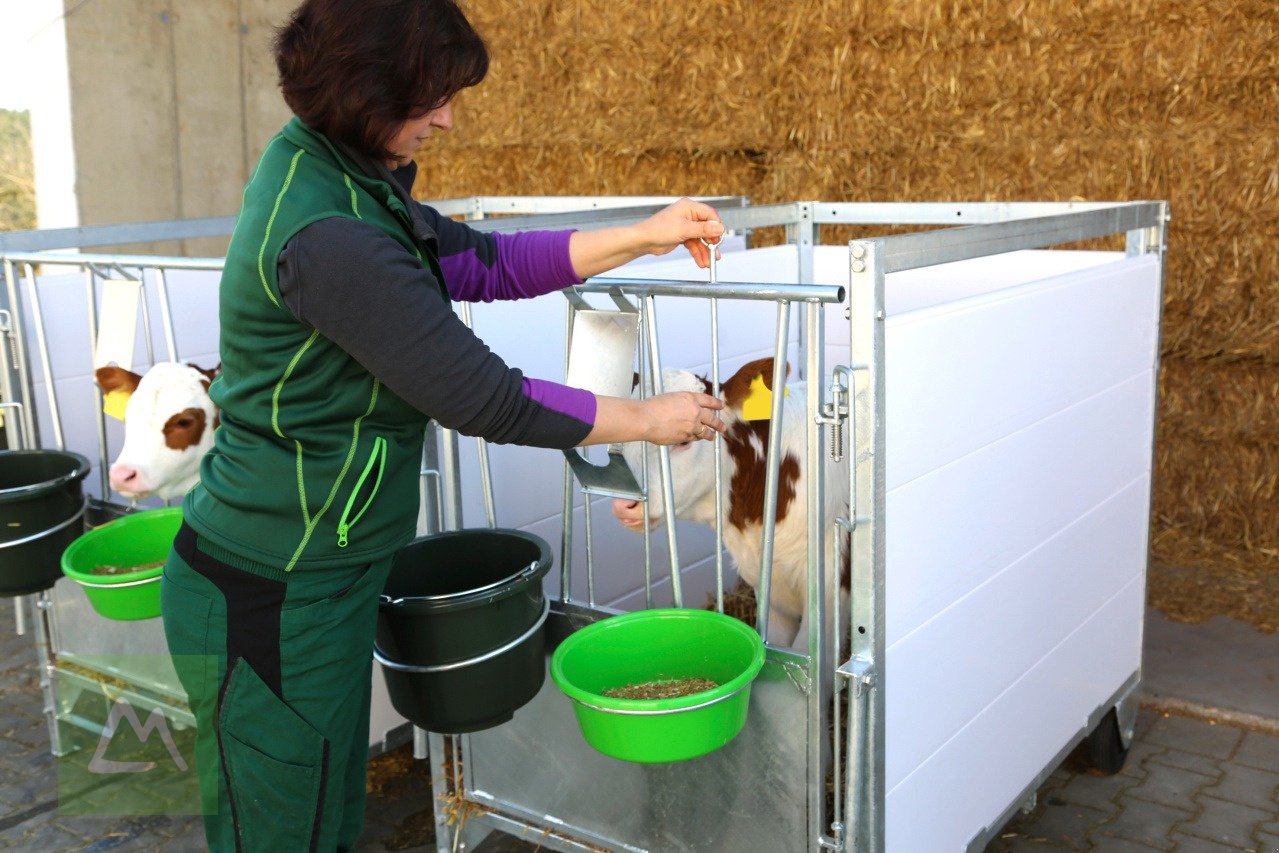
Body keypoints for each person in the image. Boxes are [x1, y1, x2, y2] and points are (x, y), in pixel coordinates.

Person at [158, 0, 727, 849]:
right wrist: (649, 418)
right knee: (285, 832)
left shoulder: (337, 174)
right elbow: (479, 395)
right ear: (366, 88)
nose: (449, 116)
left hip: (311, 570)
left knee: (317, 816)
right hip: (272, 591)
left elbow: (483, 261)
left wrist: (642, 235)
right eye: (431, 96)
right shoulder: (329, 235)